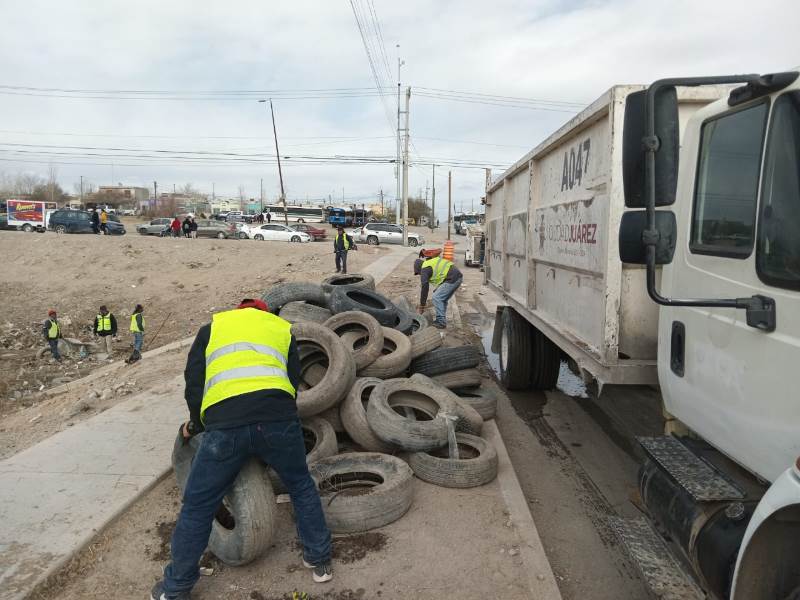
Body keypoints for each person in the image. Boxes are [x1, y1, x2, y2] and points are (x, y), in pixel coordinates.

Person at [150, 298, 332, 600]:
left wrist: (197, 424)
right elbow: (291, 379)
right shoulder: (281, 328)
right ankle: (320, 561)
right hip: (278, 421)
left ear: (238, 313)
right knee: (300, 484)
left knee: (198, 504)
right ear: (263, 314)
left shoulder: (214, 328)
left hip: (226, 426)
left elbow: (194, 382)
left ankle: (176, 588)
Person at [414, 253, 463, 329]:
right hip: (456, 277)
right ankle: (440, 320)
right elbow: (441, 275)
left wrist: (422, 305)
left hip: (452, 278)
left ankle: (441, 322)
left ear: (419, 268)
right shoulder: (429, 264)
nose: (420, 275)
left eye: (419, 273)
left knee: (436, 297)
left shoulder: (424, 268)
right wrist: (437, 289)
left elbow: (425, 287)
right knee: (441, 298)